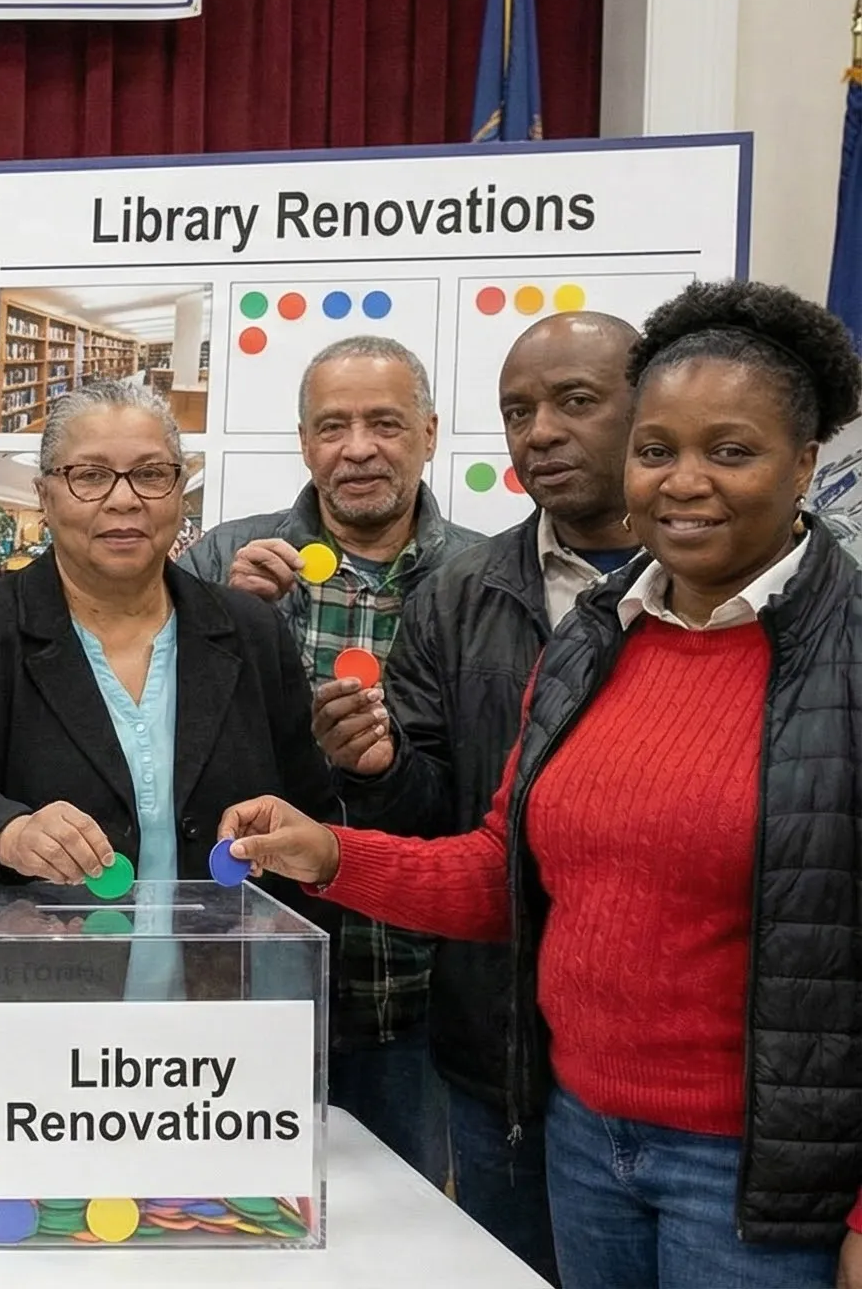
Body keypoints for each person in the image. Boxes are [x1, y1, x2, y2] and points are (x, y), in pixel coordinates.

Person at [225, 280, 862, 1289]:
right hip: (573, 1130)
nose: (682, 481)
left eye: (727, 451)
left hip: (760, 1176)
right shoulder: (590, 646)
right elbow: (504, 879)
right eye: (657, 452)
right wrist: (328, 851)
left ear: (801, 464)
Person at [0, 381, 340, 1099]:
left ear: (181, 493)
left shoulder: (248, 631)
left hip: (212, 1046)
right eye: (90, 475)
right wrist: (9, 830)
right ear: (47, 494)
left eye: (151, 474)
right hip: (23, 1029)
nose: (124, 500)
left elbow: (305, 808)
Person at [309, 311, 638, 1281]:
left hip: (693, 1093)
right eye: (518, 410)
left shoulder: (714, 591)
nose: (539, 431)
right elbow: (445, 821)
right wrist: (372, 771)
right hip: (495, 1049)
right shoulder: (463, 592)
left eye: (574, 401)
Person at [176, 335, 481, 1181]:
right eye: (332, 425)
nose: (357, 448)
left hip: (417, 984)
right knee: (236, 1211)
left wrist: (385, 768)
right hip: (247, 974)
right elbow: (161, 741)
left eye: (384, 423)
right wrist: (222, 621)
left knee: (403, 1228)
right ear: (304, 441)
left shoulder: (484, 578)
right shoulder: (222, 561)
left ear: (428, 431)